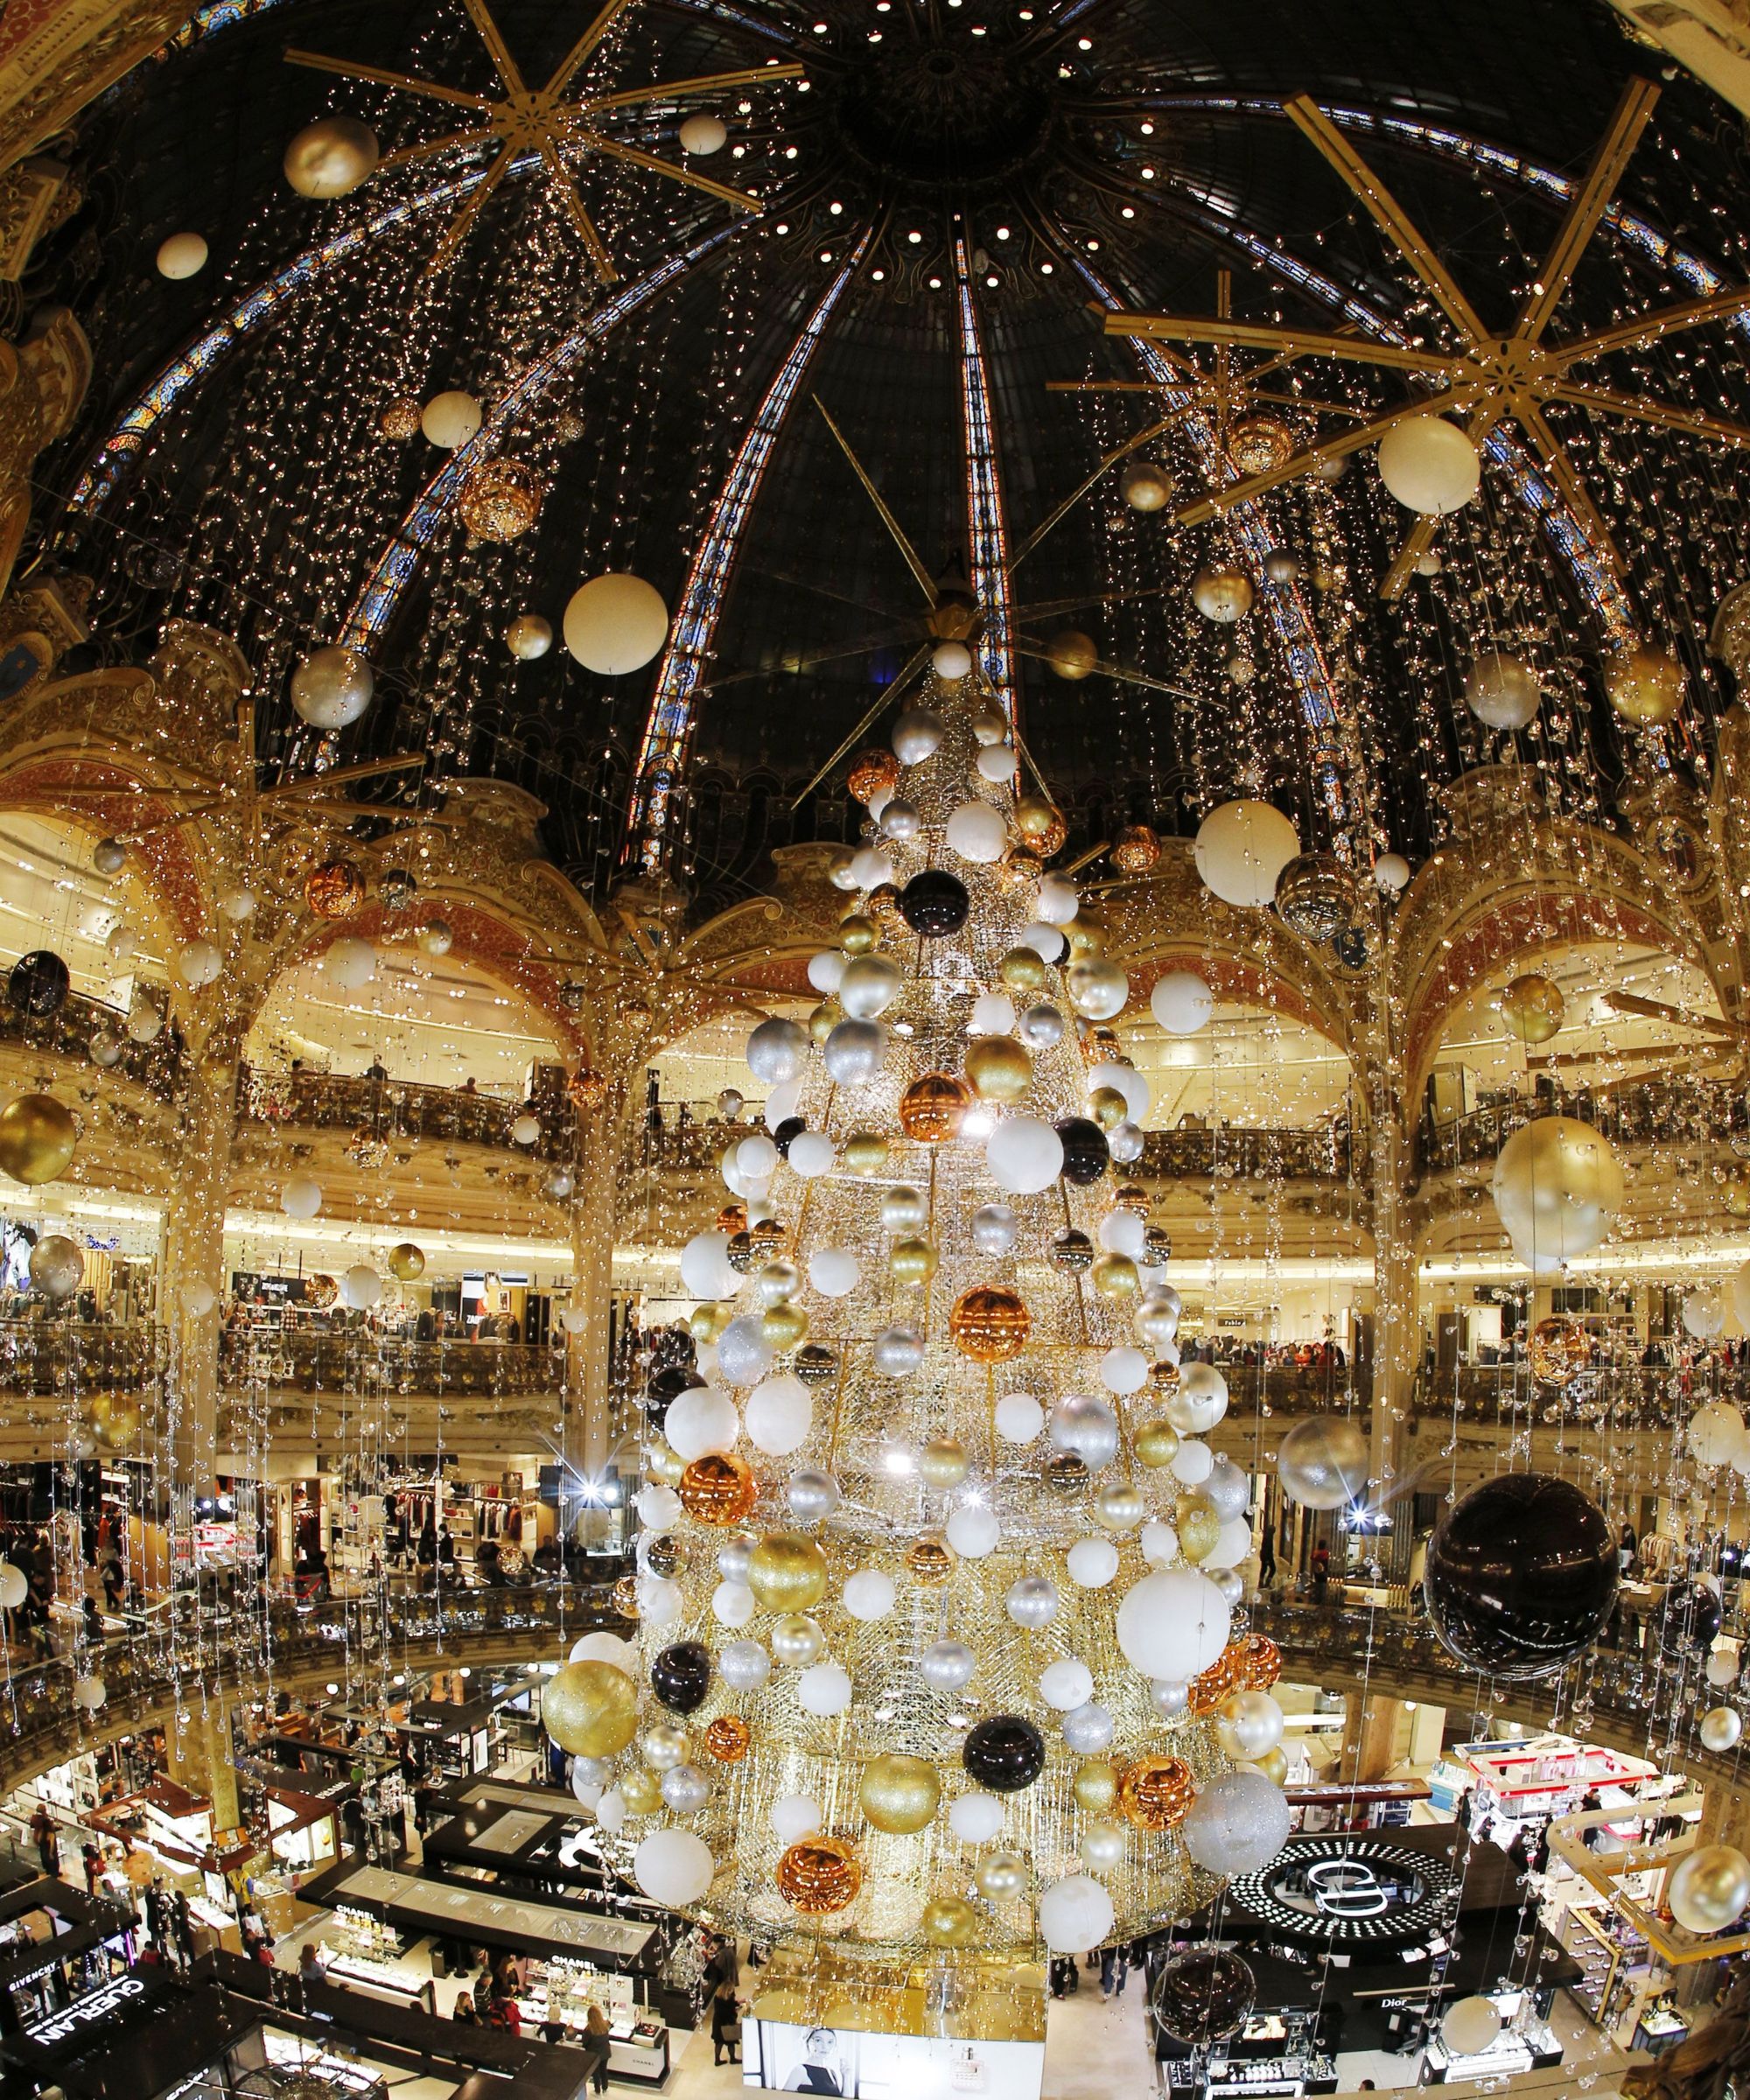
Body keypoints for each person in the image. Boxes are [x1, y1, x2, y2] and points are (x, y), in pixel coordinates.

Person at [710, 1975, 742, 2066]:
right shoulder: (729, 1999)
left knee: (719, 2042)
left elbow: (725, 2008)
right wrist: (736, 2010)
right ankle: (732, 2059)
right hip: (727, 2023)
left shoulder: (717, 1998)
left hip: (718, 2023)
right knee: (731, 2042)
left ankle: (717, 2060)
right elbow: (730, 2010)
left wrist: (737, 2003)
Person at [584, 2003, 612, 2094]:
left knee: (596, 2072)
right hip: (605, 2053)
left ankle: (597, 2089)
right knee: (604, 2070)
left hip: (594, 2055)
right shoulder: (605, 2025)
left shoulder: (589, 2029)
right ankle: (605, 2087)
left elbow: (585, 2042)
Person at [28, 1804, 56, 1877]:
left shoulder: (34, 1817)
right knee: (49, 1855)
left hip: (37, 1837)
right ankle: (53, 1872)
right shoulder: (45, 1819)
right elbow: (50, 1829)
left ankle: (47, 1870)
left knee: (43, 1853)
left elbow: (32, 1825)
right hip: (45, 1838)